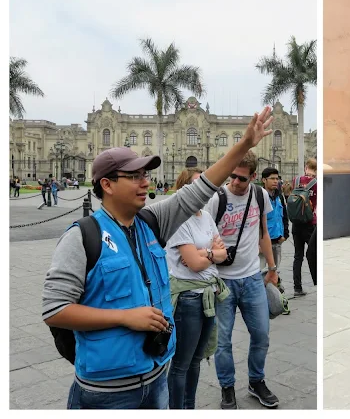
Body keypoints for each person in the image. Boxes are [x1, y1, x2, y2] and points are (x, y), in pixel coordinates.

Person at [42, 106, 274, 409]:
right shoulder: (82, 237)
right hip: (107, 390)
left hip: (155, 377)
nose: (145, 182)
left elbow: (201, 188)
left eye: (145, 175)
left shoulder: (152, 223)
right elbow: (55, 309)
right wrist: (124, 317)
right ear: (106, 184)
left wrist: (245, 145)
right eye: (134, 176)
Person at [204, 150, 279, 410]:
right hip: (222, 282)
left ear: (254, 177)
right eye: (232, 176)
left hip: (252, 278)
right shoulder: (216, 198)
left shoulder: (259, 195)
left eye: (242, 179)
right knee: (223, 341)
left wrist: (272, 266)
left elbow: (264, 234)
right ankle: (227, 387)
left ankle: (256, 381)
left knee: (261, 335)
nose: (235, 182)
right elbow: (202, 238)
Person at [165, 167, 229, 409]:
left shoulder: (206, 216)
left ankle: (189, 408)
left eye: (206, 186)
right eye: (197, 186)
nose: (203, 192)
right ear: (184, 189)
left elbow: (223, 254)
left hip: (209, 294)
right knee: (181, 363)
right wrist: (212, 253)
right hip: (188, 298)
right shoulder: (179, 218)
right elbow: (192, 264)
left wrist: (206, 253)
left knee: (196, 361)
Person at [291, 158, 317, 296]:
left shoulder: (295, 180)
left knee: (298, 256)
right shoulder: (316, 184)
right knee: (314, 253)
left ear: (306, 167)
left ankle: (297, 288)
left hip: (296, 223)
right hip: (309, 223)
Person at [260, 167, 289, 291]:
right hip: (263, 242)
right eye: (272, 178)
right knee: (260, 271)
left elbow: (284, 216)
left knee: (275, 271)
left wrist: (285, 235)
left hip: (277, 239)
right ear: (263, 180)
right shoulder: (260, 196)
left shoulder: (279, 196)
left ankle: (275, 299)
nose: (275, 181)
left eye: (277, 179)